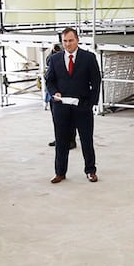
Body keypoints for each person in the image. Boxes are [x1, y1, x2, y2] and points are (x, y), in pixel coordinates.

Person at [43, 27, 102, 183]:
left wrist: (90, 103)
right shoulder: (55, 59)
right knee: (61, 140)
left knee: (86, 140)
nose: (68, 44)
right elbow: (49, 80)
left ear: (77, 40)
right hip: (61, 107)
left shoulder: (88, 58)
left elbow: (96, 82)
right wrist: (54, 93)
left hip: (82, 106)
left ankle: (90, 170)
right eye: (65, 41)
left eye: (71, 40)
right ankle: (60, 172)